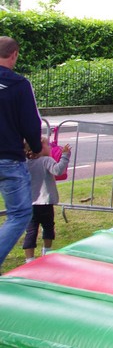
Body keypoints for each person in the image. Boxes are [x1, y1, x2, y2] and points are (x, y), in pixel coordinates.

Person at [0, 37, 44, 273]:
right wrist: (36, 147)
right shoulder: (19, 85)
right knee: (19, 214)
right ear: (14, 54)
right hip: (8, 158)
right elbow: (31, 123)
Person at [22, 136, 71, 262]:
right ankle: (47, 252)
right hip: (45, 202)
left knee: (31, 231)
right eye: (48, 145)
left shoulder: (25, 163)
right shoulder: (46, 160)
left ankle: (29, 259)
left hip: (30, 203)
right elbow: (58, 170)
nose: (50, 147)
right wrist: (65, 156)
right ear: (41, 148)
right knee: (48, 227)